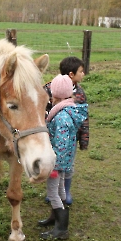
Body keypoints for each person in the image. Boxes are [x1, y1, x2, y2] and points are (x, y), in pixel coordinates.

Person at [39, 74, 88, 240]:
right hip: (63, 162)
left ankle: (61, 229)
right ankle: (55, 218)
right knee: (59, 191)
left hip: (57, 164)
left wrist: (55, 166)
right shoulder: (68, 111)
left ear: (56, 95)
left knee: (53, 193)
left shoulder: (61, 117)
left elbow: (61, 143)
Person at [41, 56, 89, 208]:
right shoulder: (47, 90)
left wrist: (84, 139)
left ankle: (62, 196)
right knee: (61, 170)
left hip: (66, 142)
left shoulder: (79, 94)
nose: (84, 74)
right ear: (71, 74)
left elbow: (83, 120)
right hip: (51, 137)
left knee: (65, 169)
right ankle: (59, 194)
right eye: (81, 71)